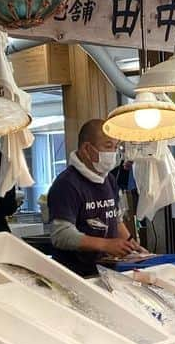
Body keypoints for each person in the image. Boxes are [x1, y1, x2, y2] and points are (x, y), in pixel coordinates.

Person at [46, 118, 140, 276]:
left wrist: (132, 245)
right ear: (87, 149)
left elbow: (115, 218)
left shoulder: (109, 179)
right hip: (76, 275)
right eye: (108, 146)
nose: (113, 153)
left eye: (116, 147)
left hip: (107, 272)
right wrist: (105, 245)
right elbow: (60, 234)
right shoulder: (67, 184)